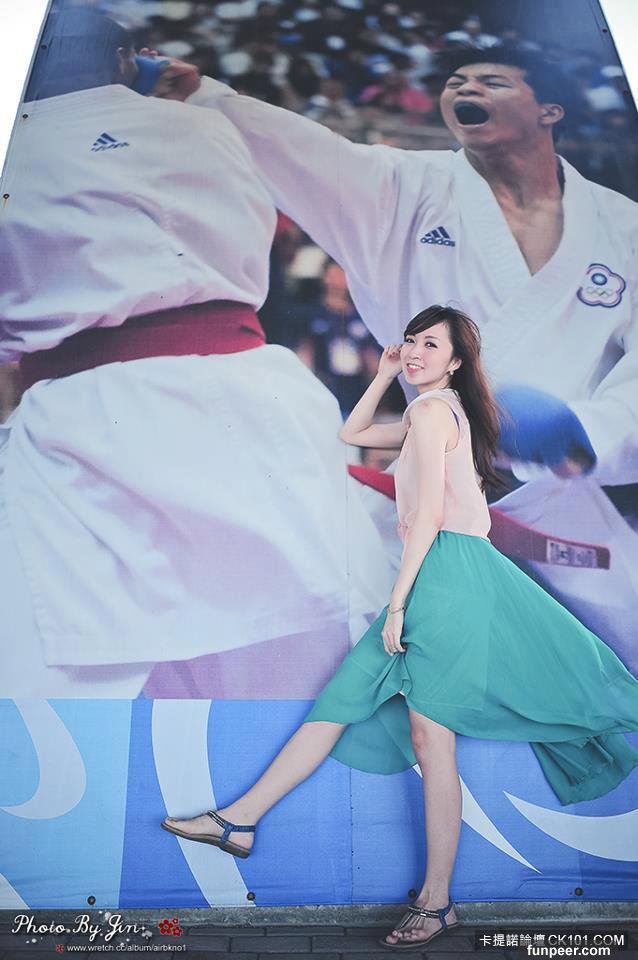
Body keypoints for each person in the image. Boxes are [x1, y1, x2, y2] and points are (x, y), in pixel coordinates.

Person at [161, 305, 638, 948]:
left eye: (430, 344)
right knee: (342, 703)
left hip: (448, 576)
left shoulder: (436, 412)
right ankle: (238, 822)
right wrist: (385, 374)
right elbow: (351, 432)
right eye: (411, 340)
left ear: (457, 361)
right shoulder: (428, 412)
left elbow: (431, 516)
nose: (414, 351)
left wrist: (397, 604)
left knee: (430, 737)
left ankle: (437, 902)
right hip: (440, 573)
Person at [173, 43, 638, 656]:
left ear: (549, 110)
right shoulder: (403, 189)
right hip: (428, 491)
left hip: (562, 507)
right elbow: (300, 151)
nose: (465, 89)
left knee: (599, 676)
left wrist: (582, 432)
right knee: (390, 665)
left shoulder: (624, 228)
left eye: (492, 80)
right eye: (456, 80)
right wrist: (201, 94)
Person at [0, 8, 393, 697]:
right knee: (309, 624)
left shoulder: (20, 146)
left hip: (90, 413)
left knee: (85, 657)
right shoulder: (209, 126)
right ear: (126, 59)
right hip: (256, 391)